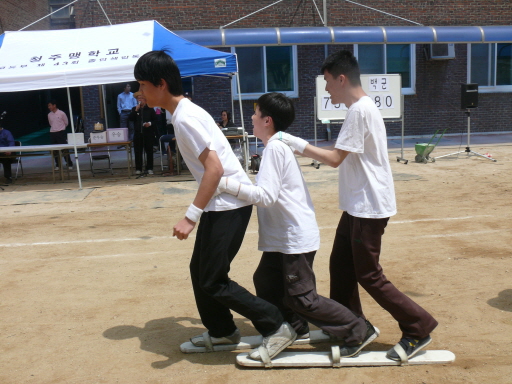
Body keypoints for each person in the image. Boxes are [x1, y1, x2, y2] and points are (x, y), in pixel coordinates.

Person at [134, 50, 296, 362]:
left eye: (142, 85)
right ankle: (222, 330)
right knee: (201, 271)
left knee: (213, 279)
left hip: (229, 205)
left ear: (161, 84)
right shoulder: (183, 113)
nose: (139, 92)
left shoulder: (185, 118)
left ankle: (276, 325)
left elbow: (215, 169)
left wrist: (190, 216)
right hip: (220, 204)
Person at [279, 50, 438, 362]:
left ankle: (418, 327)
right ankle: (350, 326)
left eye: (327, 83)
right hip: (356, 205)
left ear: (341, 79)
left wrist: (294, 143)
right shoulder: (359, 109)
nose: (326, 90)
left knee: (369, 275)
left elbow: (336, 159)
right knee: (340, 267)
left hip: (369, 207)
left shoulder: (360, 111)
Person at [217, 92, 378, 360]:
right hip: (283, 237)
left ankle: (358, 329)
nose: (252, 119)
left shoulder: (275, 149)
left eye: (255, 114)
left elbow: (265, 196)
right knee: (266, 281)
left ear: (267, 120)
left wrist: (226, 185)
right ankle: (294, 327)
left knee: (302, 298)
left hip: (294, 238)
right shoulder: (276, 148)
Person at [128, 92, 157, 175]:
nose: (140, 100)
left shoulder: (150, 109)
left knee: (149, 151)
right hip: (138, 133)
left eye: (142, 98)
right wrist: (136, 110)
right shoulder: (134, 109)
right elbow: (130, 119)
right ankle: (138, 168)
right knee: (138, 151)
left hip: (148, 133)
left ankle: (149, 168)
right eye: (139, 98)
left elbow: (155, 120)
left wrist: (150, 123)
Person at [47, 100, 72, 170]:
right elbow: (50, 123)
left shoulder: (61, 113)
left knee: (64, 149)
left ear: (54, 105)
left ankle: (69, 163)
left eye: (50, 105)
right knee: (55, 150)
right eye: (48, 106)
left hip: (61, 132)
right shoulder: (49, 115)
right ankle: (58, 164)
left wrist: (61, 128)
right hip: (53, 133)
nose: (49, 107)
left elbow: (66, 122)